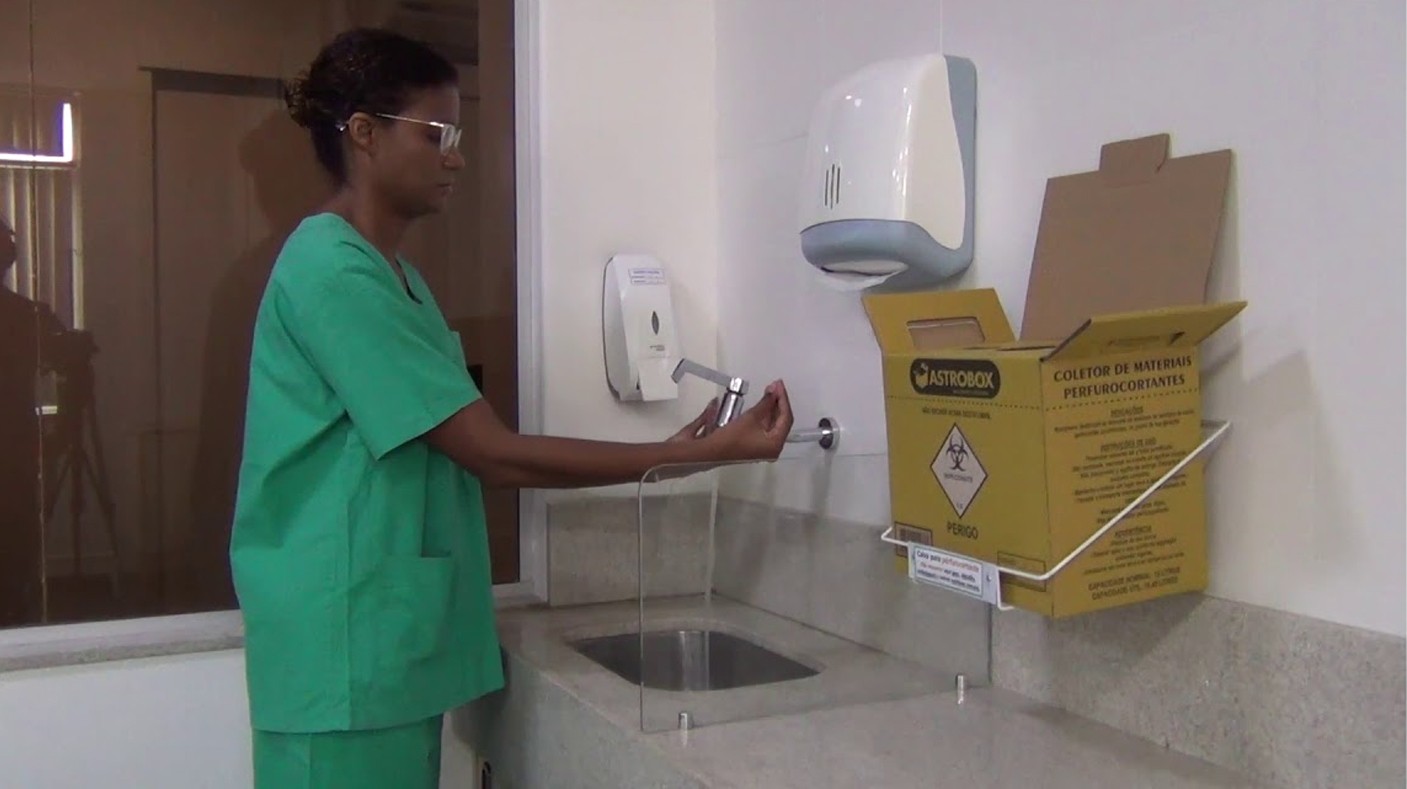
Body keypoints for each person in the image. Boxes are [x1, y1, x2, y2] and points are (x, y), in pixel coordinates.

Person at [231, 28, 794, 788]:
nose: (456, 158)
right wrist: (686, 457)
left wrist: (678, 452)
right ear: (363, 133)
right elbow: (489, 453)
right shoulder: (332, 272)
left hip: (379, 648)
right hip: (343, 655)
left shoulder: (396, 278)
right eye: (436, 135)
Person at [0, 215, 64, 627]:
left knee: (17, 538)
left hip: (14, 450)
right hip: (15, 449)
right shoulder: (26, 316)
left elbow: (67, 360)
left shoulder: (26, 316)